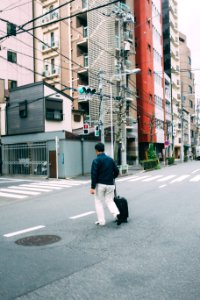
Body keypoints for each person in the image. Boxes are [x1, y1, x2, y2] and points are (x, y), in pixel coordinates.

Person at [90, 142, 121, 226]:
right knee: (110, 201)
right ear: (103, 149)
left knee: (98, 202)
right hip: (110, 184)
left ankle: (101, 221)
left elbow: (94, 174)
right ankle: (116, 214)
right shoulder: (110, 159)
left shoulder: (96, 160)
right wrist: (112, 177)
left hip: (100, 184)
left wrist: (92, 187)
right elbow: (117, 171)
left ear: (96, 151)